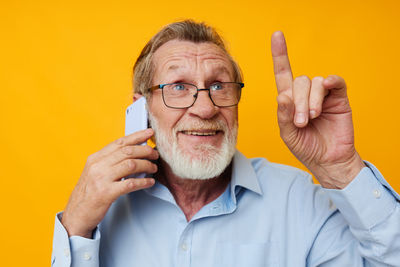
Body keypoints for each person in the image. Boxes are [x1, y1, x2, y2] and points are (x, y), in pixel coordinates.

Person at [51, 20, 400, 266]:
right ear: (141, 109)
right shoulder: (103, 209)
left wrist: (342, 169)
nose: (205, 108)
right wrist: (77, 230)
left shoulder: (301, 201)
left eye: (219, 85)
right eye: (178, 86)